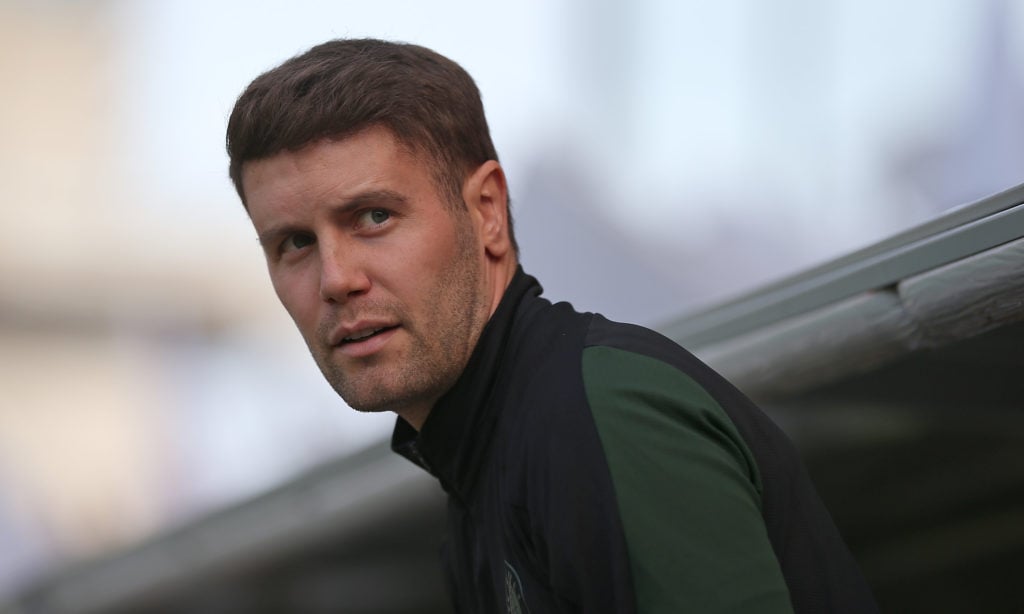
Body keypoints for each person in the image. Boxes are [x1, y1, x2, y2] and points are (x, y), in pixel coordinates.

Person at [226, 38, 878, 613]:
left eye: (373, 217)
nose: (336, 278)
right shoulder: (491, 460)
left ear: (486, 211)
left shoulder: (599, 418)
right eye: (293, 244)